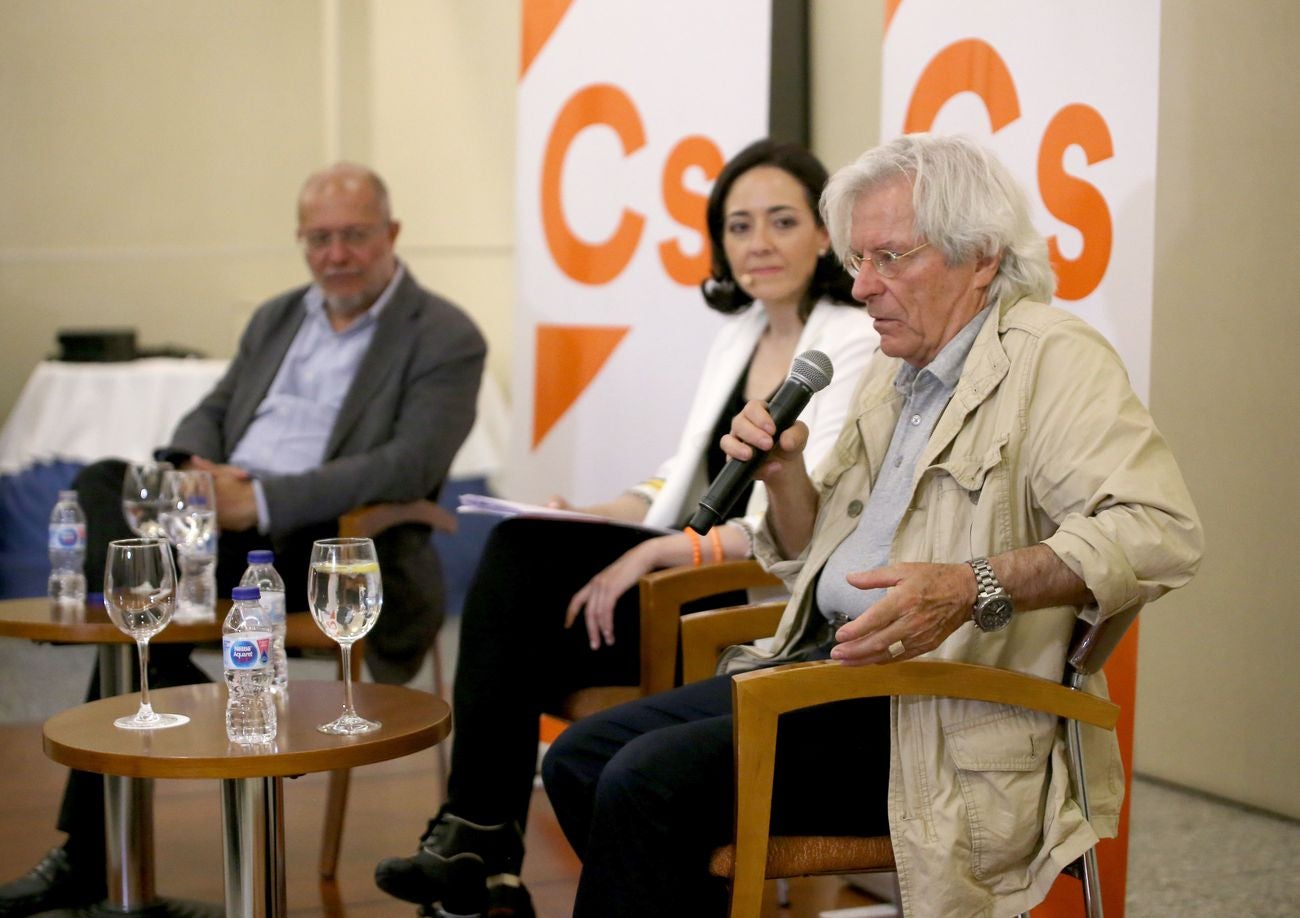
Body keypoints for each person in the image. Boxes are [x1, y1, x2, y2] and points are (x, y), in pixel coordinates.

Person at [540, 133, 1204, 918]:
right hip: (828, 669)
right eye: (858, 261)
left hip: (940, 707)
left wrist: (968, 585)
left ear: (981, 256)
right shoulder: (898, 368)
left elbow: (1157, 531)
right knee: (580, 757)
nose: (862, 289)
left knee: (643, 780)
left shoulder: (1055, 360)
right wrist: (784, 475)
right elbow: (812, 550)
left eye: (890, 259)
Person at [372, 139, 879, 917]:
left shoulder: (849, 340)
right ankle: (485, 852)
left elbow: (811, 509)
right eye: (740, 226)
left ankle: (480, 845)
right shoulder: (739, 334)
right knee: (522, 560)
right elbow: (680, 473)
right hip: (675, 575)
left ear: (825, 234)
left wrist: (655, 553)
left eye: (782, 221)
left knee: (511, 620)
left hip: (743, 597)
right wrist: (599, 515)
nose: (759, 244)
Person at [0, 162, 486, 917]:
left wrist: (257, 499)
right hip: (214, 527)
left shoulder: (446, 334)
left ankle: (90, 846)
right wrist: (193, 469)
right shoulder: (278, 316)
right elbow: (214, 408)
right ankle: (159, 650)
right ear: (302, 243)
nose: (336, 255)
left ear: (391, 234)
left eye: (354, 235)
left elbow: (408, 464)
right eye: (319, 239)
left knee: (143, 622)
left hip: (327, 546)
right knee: (103, 479)